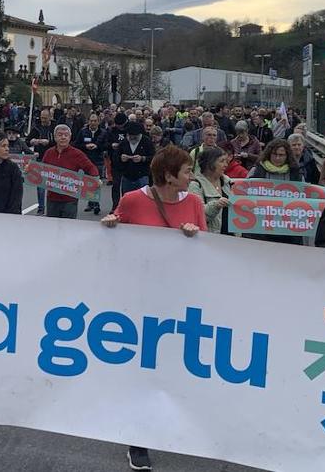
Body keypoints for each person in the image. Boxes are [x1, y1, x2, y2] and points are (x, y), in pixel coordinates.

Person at [101, 146, 203, 472]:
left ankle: (164, 425)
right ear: (169, 175)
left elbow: (209, 254)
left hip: (179, 301)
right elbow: (112, 240)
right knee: (142, 371)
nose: (191, 177)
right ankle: (138, 440)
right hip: (139, 300)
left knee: (170, 371)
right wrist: (110, 227)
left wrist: (195, 239)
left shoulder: (195, 203)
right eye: (186, 171)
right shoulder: (133, 200)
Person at [244, 138, 304, 246]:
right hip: (260, 226)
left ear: (287, 156)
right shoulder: (257, 171)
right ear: (268, 154)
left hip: (287, 228)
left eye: (281, 155)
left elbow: (304, 198)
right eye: (274, 154)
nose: (277, 158)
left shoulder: (296, 174)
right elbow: (245, 194)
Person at [41, 124, 100, 219]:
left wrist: (95, 177)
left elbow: (91, 167)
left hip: (70, 198)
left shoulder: (77, 153)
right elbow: (41, 170)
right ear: (55, 137)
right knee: (51, 227)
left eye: (66, 135)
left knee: (68, 228)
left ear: (70, 137)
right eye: (60, 135)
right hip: (52, 197)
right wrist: (29, 169)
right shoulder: (49, 153)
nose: (63, 137)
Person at [188, 145, 229, 234]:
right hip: (211, 239)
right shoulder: (196, 185)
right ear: (210, 164)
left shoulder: (228, 182)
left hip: (232, 239)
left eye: (226, 161)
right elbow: (199, 215)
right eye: (222, 161)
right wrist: (216, 205)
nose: (226, 165)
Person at [73, 113, 108, 215]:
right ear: (88, 121)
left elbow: (106, 145)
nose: (93, 123)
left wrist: (97, 146)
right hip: (86, 160)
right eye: (91, 121)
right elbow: (76, 144)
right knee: (88, 182)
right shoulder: (83, 131)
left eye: (95, 121)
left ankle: (96, 203)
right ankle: (90, 202)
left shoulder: (103, 132)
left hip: (98, 160)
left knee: (97, 182)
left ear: (98, 121)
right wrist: (85, 146)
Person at [113, 120, 155, 196]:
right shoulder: (124, 143)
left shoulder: (147, 142)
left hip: (142, 176)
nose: (132, 137)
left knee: (143, 199)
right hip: (127, 176)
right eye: (130, 135)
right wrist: (121, 158)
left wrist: (143, 158)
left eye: (134, 136)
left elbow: (153, 157)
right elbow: (115, 158)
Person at [26, 109, 55, 214]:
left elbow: (59, 142)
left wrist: (49, 142)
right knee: (40, 185)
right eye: (42, 117)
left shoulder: (54, 128)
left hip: (53, 158)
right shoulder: (36, 127)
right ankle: (41, 208)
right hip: (40, 158)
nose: (43, 120)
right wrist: (32, 142)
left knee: (53, 184)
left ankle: (53, 207)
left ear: (50, 117)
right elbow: (27, 141)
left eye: (45, 118)